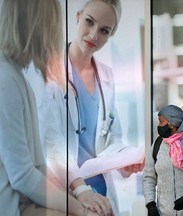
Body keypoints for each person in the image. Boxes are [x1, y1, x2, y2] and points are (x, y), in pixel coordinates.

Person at [0, 0, 99, 215]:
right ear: (36, 26)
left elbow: (37, 166)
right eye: (52, 24)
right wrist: (80, 208)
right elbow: (23, 176)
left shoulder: (17, 78)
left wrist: (77, 201)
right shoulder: (5, 79)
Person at [46, 0, 144, 215]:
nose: (93, 35)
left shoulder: (106, 76)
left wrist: (125, 163)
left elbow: (111, 139)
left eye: (104, 31)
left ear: (110, 35)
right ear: (78, 16)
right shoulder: (49, 68)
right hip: (67, 192)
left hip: (101, 194)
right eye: (89, 22)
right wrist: (80, 189)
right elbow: (50, 140)